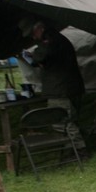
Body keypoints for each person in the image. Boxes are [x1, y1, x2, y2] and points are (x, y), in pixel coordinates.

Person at [19, 18, 86, 151]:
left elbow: (40, 57)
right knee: (70, 119)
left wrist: (32, 56)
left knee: (62, 121)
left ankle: (79, 150)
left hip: (60, 88)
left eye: (33, 33)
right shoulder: (57, 38)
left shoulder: (50, 40)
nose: (33, 37)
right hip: (70, 86)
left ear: (40, 28)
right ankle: (72, 149)